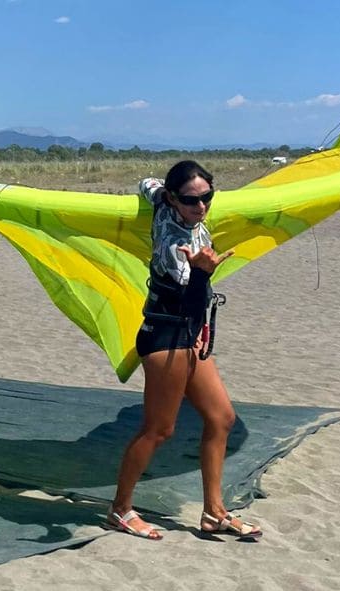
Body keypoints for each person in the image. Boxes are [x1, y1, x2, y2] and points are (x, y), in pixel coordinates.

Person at [105, 161, 263, 541]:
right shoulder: (175, 246)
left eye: (207, 196)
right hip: (164, 338)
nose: (202, 206)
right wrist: (203, 273)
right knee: (160, 429)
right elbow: (188, 304)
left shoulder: (163, 202)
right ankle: (120, 509)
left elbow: (146, 181)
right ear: (176, 200)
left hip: (187, 337)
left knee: (221, 418)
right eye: (192, 200)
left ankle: (214, 512)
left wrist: (160, 191)